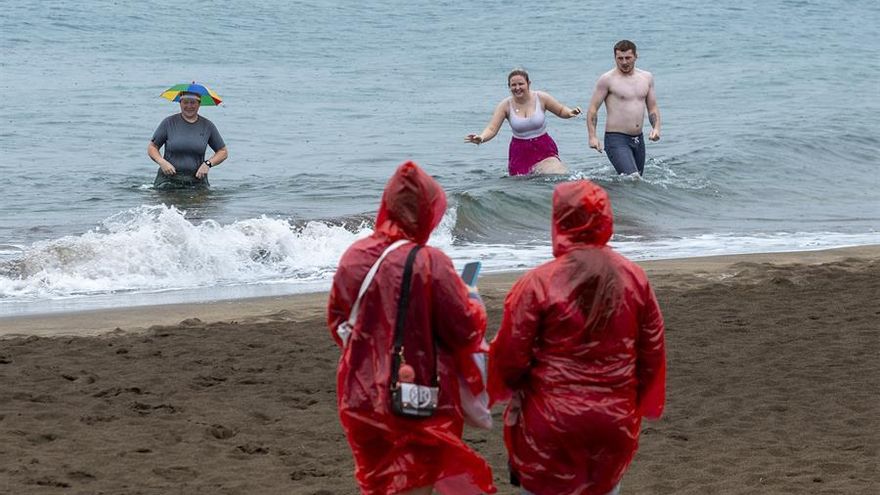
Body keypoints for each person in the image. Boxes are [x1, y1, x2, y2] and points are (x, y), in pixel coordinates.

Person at [327, 161, 496, 495]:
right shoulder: (431, 262)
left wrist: (371, 351)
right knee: (414, 480)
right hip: (416, 392)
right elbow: (463, 329)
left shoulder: (354, 255)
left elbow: (338, 323)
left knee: (376, 480)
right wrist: (474, 301)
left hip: (361, 390)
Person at [488, 180, 666, 495]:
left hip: (550, 419)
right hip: (613, 420)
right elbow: (651, 351)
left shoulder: (538, 283)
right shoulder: (635, 279)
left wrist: (501, 387)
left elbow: (509, 356)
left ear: (559, 220)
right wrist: (634, 400)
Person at [466, 69, 581, 176]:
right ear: (509, 87)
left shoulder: (541, 97)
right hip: (520, 152)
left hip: (543, 147)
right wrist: (481, 138)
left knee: (558, 174)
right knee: (523, 186)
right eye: (513, 85)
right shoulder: (505, 105)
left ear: (528, 83)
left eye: (521, 84)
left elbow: (560, 110)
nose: (517, 88)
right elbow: (492, 128)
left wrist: (570, 112)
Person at [586, 40, 661, 176]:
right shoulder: (607, 79)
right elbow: (592, 109)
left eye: (628, 58)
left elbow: (653, 108)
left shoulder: (646, 78)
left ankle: (613, 195)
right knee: (633, 178)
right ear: (615, 58)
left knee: (636, 183)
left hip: (639, 139)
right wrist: (592, 137)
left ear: (636, 56)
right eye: (620, 58)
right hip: (616, 139)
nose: (624, 62)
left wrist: (656, 128)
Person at [147, 92, 228, 189]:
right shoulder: (168, 123)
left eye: (193, 102)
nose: (189, 106)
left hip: (197, 180)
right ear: (180, 103)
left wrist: (208, 164)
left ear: (199, 104)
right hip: (168, 180)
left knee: (201, 204)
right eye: (185, 102)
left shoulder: (207, 126)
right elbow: (152, 147)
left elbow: (223, 152)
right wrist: (162, 162)